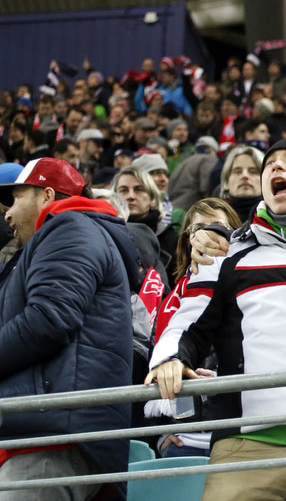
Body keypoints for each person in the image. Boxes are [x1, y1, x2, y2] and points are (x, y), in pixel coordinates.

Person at [146, 139, 286, 501]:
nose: (276, 167)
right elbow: (187, 323)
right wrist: (170, 358)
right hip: (244, 447)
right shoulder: (226, 251)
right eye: (270, 164)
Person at [0, 158, 138, 500]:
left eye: (15, 199)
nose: (7, 214)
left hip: (52, 436)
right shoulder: (70, 234)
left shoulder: (69, 227)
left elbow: (48, 319)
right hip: (55, 429)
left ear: (46, 195)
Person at [147, 198, 242, 459]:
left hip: (227, 429)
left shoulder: (240, 284)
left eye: (217, 226)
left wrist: (223, 379)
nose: (206, 234)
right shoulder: (174, 293)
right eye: (198, 228)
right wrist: (163, 433)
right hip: (181, 434)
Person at [113, 166, 179, 282]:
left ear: (152, 199)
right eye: (123, 190)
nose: (131, 196)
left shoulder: (171, 240)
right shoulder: (105, 234)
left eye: (139, 189)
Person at [219, 145, 264, 223]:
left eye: (253, 171)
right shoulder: (214, 220)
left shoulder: (278, 222)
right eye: (237, 171)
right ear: (226, 182)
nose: (245, 175)